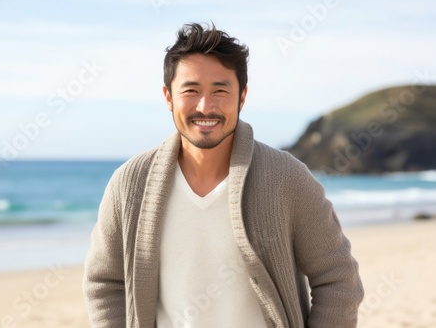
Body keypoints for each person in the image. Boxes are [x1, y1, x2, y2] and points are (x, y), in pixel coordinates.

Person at [83, 22, 364, 328]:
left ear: (242, 97)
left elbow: (338, 278)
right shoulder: (130, 183)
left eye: (220, 90)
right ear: (168, 97)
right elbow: (105, 284)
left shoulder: (286, 177)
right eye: (191, 90)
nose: (206, 106)